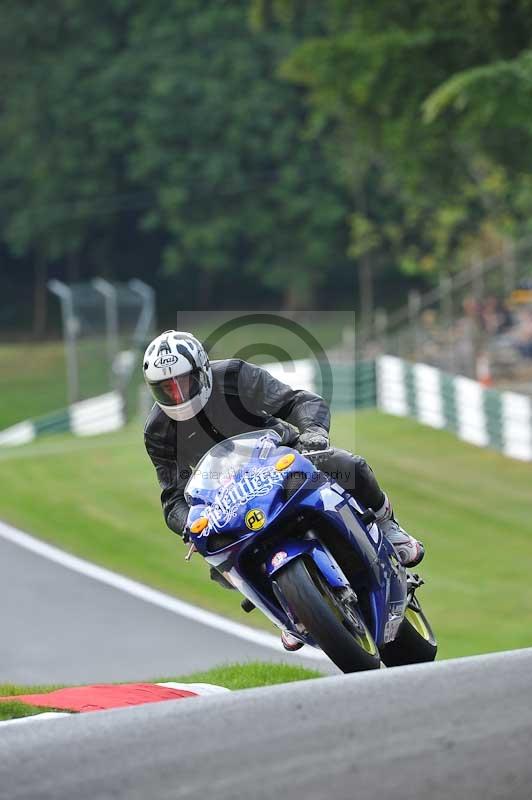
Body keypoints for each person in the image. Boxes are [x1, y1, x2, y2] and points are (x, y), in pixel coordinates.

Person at [143, 330, 424, 651]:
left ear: (203, 371)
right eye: (165, 388)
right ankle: (288, 609)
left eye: (183, 382)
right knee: (219, 561)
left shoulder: (234, 377)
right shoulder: (159, 430)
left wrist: (314, 432)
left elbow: (299, 402)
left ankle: (389, 526)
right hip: (225, 498)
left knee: (347, 464)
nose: (177, 395)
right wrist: (189, 525)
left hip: (281, 459)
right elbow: (173, 497)